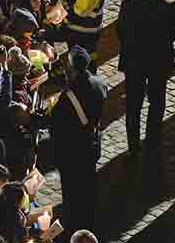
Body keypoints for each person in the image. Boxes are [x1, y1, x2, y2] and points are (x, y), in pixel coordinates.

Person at [117, 0, 175, 159]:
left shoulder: (128, 5)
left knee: (133, 106)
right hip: (159, 62)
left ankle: (133, 147)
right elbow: (173, 34)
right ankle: (152, 140)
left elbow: (121, 33)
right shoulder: (168, 6)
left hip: (134, 63)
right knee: (157, 101)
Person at [47, 46, 109, 235]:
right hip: (91, 143)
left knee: (72, 188)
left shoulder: (68, 96)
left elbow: (56, 124)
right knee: (89, 182)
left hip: (72, 150)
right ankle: (90, 217)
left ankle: (75, 224)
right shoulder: (100, 84)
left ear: (72, 68)